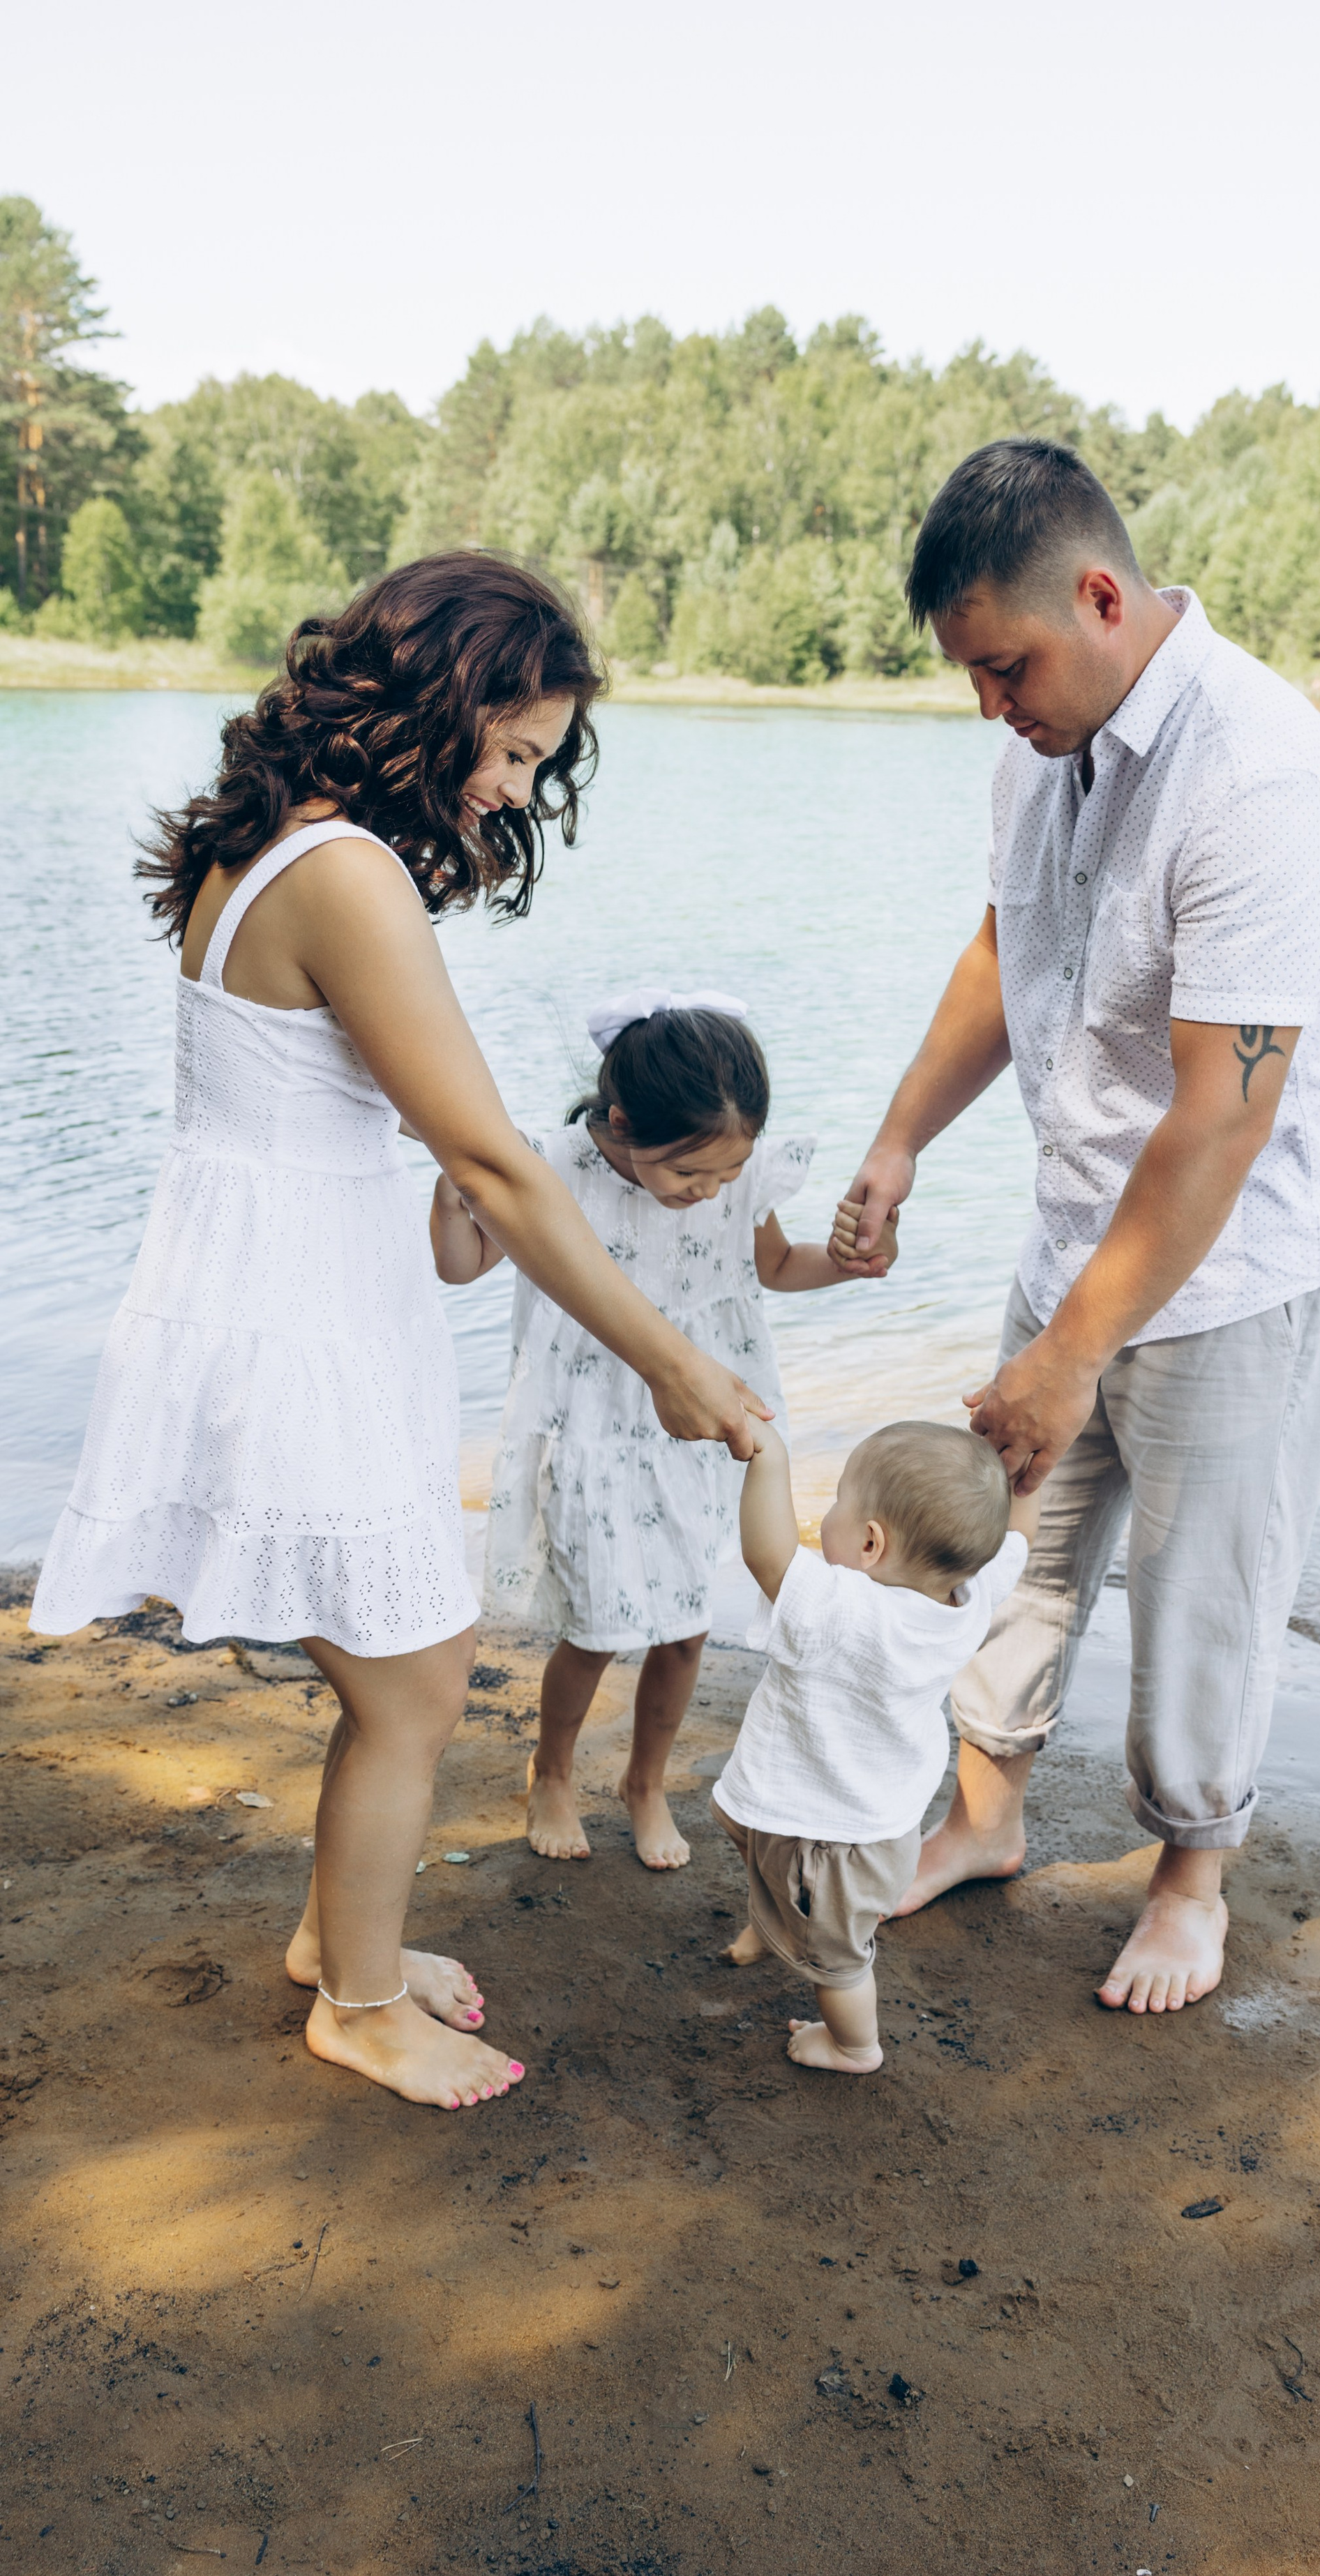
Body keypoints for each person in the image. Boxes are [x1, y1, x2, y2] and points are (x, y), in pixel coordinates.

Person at [29, 552, 769, 2112]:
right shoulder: (345, 873)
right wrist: (672, 1360)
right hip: (290, 1326)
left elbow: (433, 1169)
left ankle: (333, 1936)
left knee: (400, 1672)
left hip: (293, 1302)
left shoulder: (289, 851)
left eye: (533, 767)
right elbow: (499, 1162)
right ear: (431, 706)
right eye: (508, 753)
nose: (511, 793)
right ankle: (361, 2003)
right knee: (419, 1684)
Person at [830, 437, 1320, 2017]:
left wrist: (1075, 1350)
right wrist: (894, 1143)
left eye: (999, 667)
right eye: (968, 677)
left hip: (1242, 1262)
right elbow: (1000, 950)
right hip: (1071, 1223)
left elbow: (1219, 1115)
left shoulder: (1258, 772)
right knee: (1011, 1546)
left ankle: (1189, 1874)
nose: (986, 706)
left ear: (1096, 596)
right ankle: (984, 1817)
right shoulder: (1031, 745)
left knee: (1203, 1583)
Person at [433, 990, 897, 1870]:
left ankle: (644, 1783)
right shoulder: (551, 1168)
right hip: (590, 1429)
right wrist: (453, 1199)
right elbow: (459, 1269)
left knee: (685, 1625)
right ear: (620, 1123)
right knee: (599, 1626)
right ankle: (554, 1771)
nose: (710, 1192)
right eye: (690, 1174)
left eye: (727, 1174)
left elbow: (774, 1267)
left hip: (707, 1425)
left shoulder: (732, 1178)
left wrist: (848, 1266)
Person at [713, 1417, 1035, 2072]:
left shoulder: (846, 1612)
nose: (825, 1514)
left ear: (869, 1542)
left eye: (836, 1501)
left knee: (840, 1964)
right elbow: (1018, 1539)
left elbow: (768, 1556)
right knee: (739, 1823)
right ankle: (775, 1922)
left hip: (831, 1844)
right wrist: (1026, 1472)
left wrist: (769, 1457)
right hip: (871, 1824)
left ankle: (854, 2046)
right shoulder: (968, 1598)